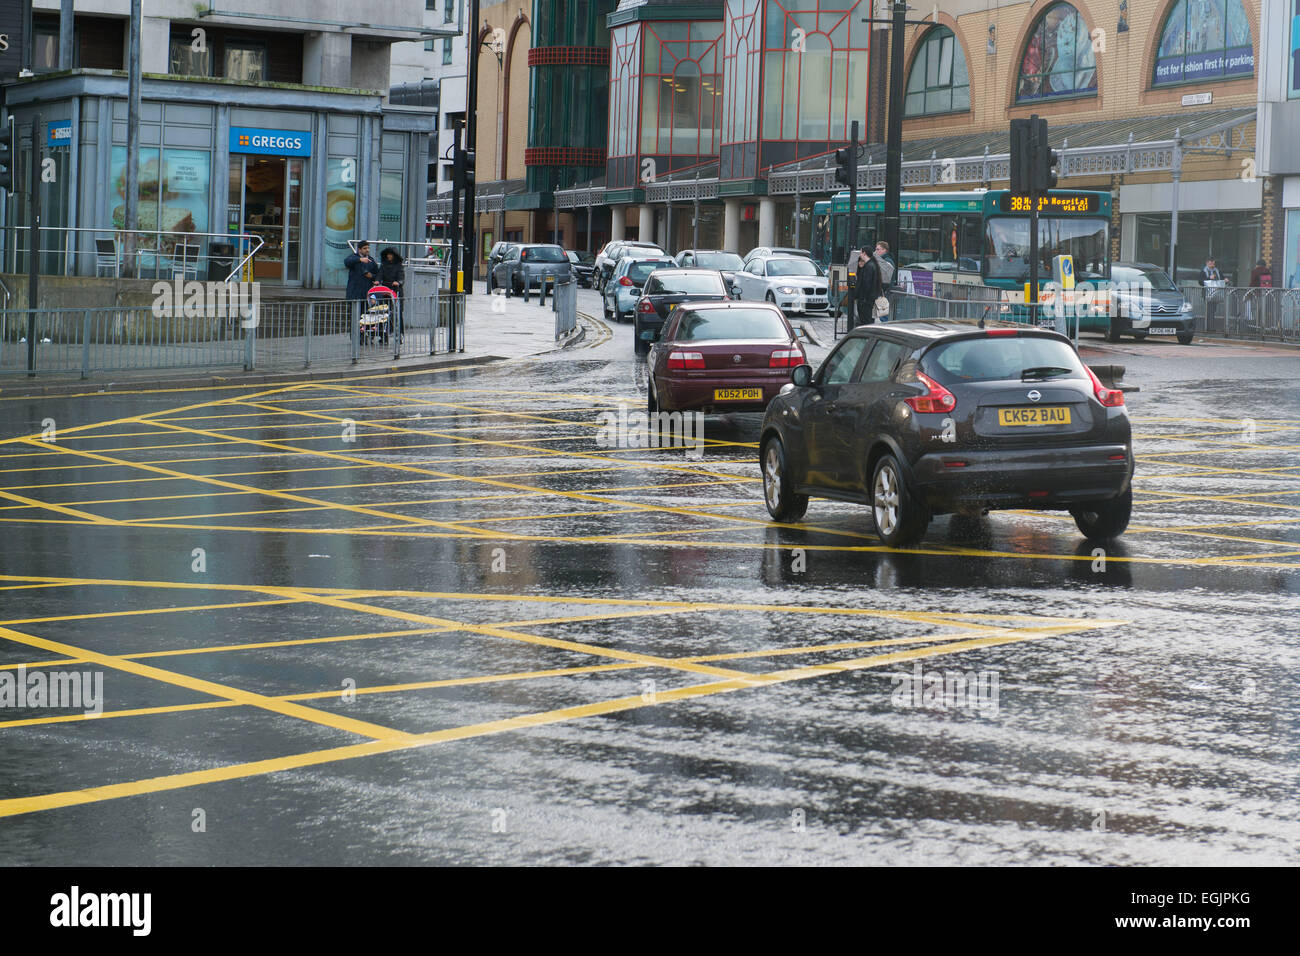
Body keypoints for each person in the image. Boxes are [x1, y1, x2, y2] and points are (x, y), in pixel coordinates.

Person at [379, 247, 406, 343]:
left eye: (390, 254)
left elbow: (401, 277)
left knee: (398, 313)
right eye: (387, 255)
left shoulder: (399, 266)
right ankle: (384, 334)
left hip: (396, 291)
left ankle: (400, 333)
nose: (389, 256)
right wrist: (377, 281)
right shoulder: (383, 265)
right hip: (386, 291)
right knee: (384, 313)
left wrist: (398, 282)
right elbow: (380, 274)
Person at [854, 248, 883, 327]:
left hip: (865, 301)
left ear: (864, 253)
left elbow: (866, 284)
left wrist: (862, 299)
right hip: (867, 300)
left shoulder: (869, 266)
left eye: (861, 252)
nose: (860, 254)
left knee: (865, 322)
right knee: (867, 321)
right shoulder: (872, 265)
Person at [874, 241, 896, 321]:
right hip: (884, 291)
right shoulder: (884, 260)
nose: (876, 251)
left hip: (885, 292)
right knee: (883, 315)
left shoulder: (887, 261)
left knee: (884, 316)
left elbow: (885, 278)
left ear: (884, 250)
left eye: (878, 249)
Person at [1200, 257, 1223, 329]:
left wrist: (1225, 279)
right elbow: (1200, 281)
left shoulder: (1217, 271)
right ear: (1207, 263)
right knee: (1209, 310)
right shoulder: (1203, 271)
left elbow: (1221, 278)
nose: (1212, 265)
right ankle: (1208, 327)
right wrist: (1209, 278)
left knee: (1213, 310)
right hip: (1207, 293)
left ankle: (1210, 326)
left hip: (1216, 293)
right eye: (1210, 263)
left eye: (1213, 263)